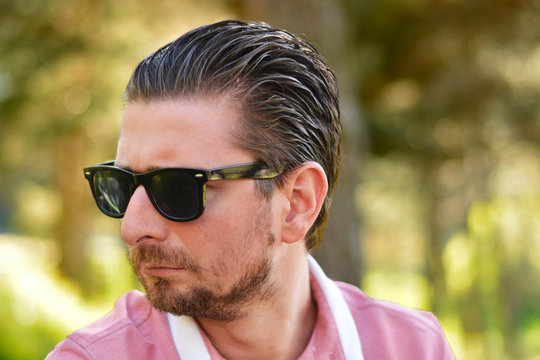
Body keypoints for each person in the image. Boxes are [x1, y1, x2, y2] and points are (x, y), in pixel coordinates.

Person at [46, 20, 454, 359]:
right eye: (120, 185)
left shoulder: (413, 347)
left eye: (176, 188)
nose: (132, 228)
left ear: (296, 203)